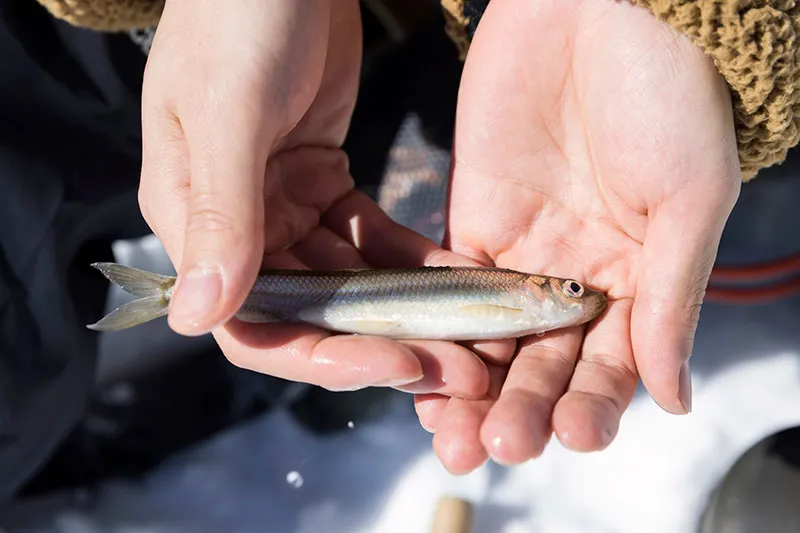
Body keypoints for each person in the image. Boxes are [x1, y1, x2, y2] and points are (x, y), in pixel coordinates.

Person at [9, 0, 800, 490]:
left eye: (566, 292)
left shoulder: (512, 294)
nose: (571, 295)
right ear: (529, 290)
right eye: (562, 291)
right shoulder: (514, 296)